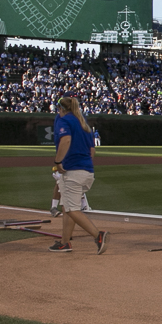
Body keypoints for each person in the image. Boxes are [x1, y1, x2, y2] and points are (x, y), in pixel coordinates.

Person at [50, 95, 109, 254]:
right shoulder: (83, 124)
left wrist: (58, 162)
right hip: (87, 172)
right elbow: (92, 151)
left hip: (73, 172)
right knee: (69, 206)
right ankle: (64, 243)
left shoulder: (64, 120)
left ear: (61, 108)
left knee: (71, 210)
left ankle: (98, 235)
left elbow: (66, 140)